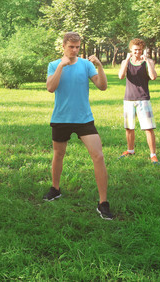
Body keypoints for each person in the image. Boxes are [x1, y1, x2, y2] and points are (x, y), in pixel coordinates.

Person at [43, 32, 113, 220]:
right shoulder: (53, 65)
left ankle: (103, 202)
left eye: (77, 47)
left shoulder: (86, 64)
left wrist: (99, 66)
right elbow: (51, 88)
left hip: (83, 119)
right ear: (64, 46)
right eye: (71, 47)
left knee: (98, 155)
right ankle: (55, 188)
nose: (74, 50)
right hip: (61, 118)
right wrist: (61, 66)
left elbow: (102, 86)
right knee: (58, 154)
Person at [117, 38, 159, 164]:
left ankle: (153, 154)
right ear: (131, 49)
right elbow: (121, 76)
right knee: (129, 127)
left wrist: (148, 62)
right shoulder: (126, 61)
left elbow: (153, 76)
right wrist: (126, 60)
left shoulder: (148, 61)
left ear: (143, 50)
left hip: (143, 98)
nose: (137, 52)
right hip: (129, 98)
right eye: (135, 50)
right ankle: (130, 150)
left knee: (148, 128)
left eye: (140, 50)